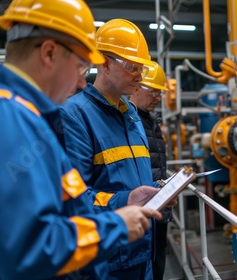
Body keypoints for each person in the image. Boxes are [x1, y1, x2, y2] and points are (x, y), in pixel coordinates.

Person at [0, 1, 162, 279]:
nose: (80, 83)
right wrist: (116, 226)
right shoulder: (1, 120)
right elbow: (28, 250)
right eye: (79, 66)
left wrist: (122, 202)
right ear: (49, 53)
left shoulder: (18, 115)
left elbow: (63, 205)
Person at [60, 19, 162, 279]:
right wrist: (125, 200)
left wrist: (157, 193)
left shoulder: (131, 115)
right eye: (132, 67)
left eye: (141, 68)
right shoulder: (74, 116)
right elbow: (73, 201)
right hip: (107, 262)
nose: (139, 75)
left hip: (143, 251)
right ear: (105, 62)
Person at [129, 61, 170, 280]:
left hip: (159, 209)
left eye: (160, 92)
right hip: (142, 211)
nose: (157, 96)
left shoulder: (152, 122)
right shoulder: (129, 121)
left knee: (158, 267)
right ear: (136, 86)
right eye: (153, 90)